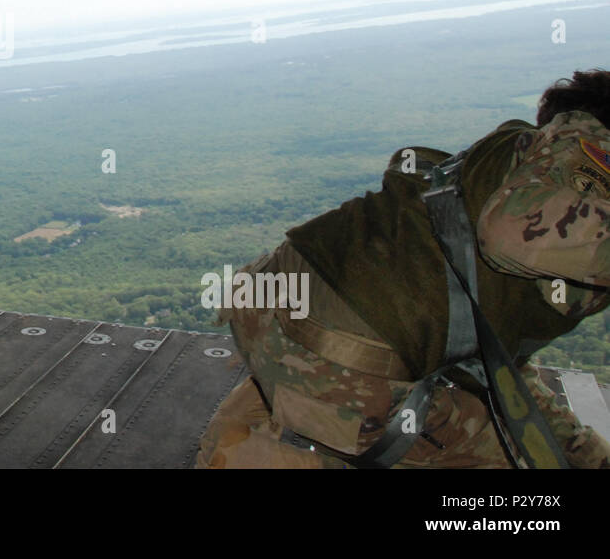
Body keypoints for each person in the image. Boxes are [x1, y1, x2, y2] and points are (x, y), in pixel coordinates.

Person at [196, 69, 610, 469]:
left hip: (269, 298)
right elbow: (509, 233)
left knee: (500, 421)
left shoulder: (513, 161)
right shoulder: (588, 147)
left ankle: (266, 416)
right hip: (334, 351)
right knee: (516, 458)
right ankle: (261, 458)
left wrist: (585, 450)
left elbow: (503, 368)